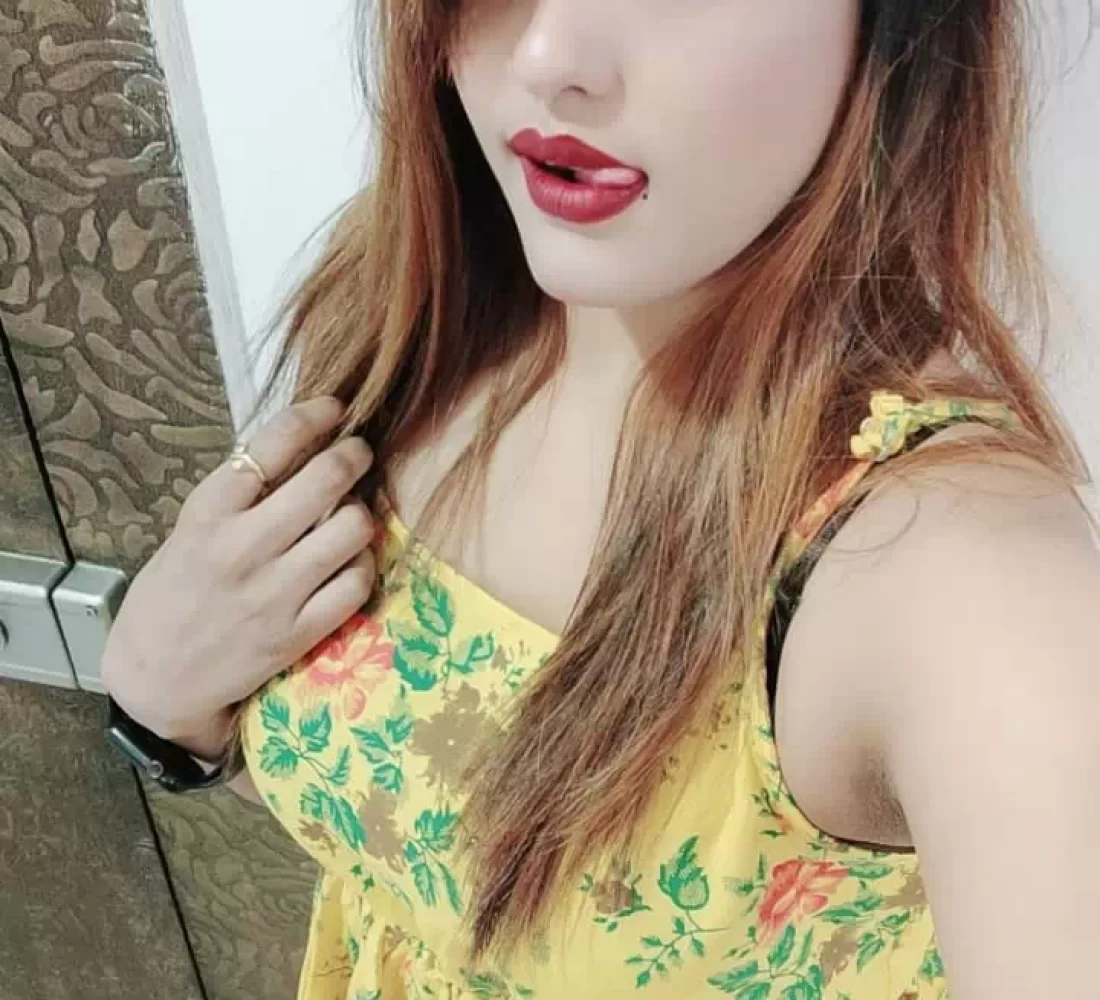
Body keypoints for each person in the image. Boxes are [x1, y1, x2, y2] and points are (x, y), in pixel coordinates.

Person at [101, 0, 1100, 997]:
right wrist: (160, 704)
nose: (549, 57)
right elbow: (402, 838)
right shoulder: (417, 312)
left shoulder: (963, 582)